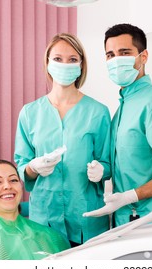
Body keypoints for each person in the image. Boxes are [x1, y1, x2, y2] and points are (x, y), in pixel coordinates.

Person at [84, 23, 152, 227]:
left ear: (143, 57)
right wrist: (103, 170)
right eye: (110, 55)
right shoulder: (121, 109)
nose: (116, 60)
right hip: (128, 221)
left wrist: (131, 196)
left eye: (124, 52)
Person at [14, 33, 111, 246]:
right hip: (45, 219)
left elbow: (109, 162)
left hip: (87, 219)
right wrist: (34, 166)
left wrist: (102, 170)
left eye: (72, 59)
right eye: (58, 59)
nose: (65, 64)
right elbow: (22, 166)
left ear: (81, 65)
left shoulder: (98, 112)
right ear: (47, 63)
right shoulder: (30, 113)